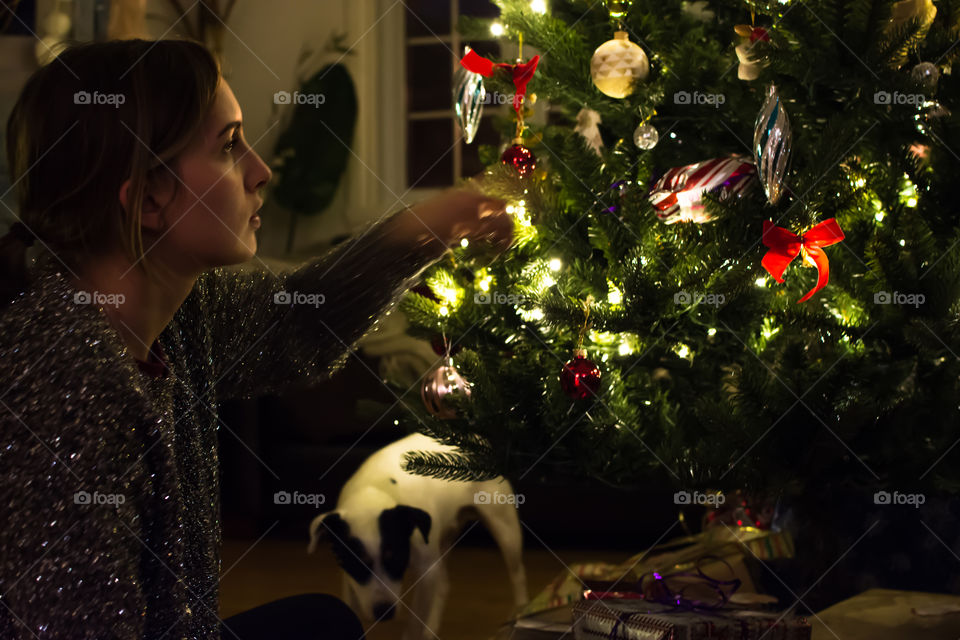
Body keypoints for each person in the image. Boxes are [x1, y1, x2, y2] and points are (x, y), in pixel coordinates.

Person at [0, 39, 512, 640]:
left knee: (323, 623)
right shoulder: (64, 383)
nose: (261, 171)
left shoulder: (181, 311)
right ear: (148, 198)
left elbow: (298, 325)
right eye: (228, 146)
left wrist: (435, 223)